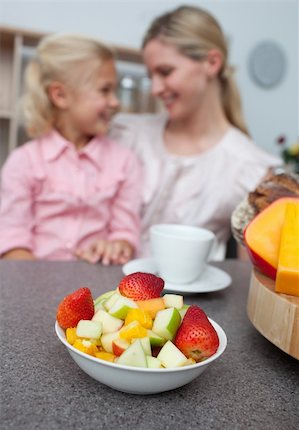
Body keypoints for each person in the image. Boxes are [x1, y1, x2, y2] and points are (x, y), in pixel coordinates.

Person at [108, 5, 282, 260]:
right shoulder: (126, 134)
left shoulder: (250, 169)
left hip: (187, 300)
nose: (155, 88)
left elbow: (253, 276)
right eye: (151, 75)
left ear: (212, 63)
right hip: (105, 295)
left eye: (165, 72)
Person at [0, 33, 142, 265]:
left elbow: (126, 234)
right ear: (61, 95)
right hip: (34, 282)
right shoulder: (23, 162)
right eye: (105, 90)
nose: (115, 102)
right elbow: (12, 241)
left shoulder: (125, 162)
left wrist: (116, 247)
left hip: (96, 286)